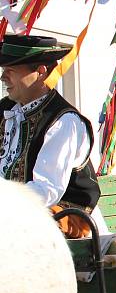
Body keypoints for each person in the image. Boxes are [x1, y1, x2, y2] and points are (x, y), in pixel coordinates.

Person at [0, 35, 101, 238]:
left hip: (64, 217)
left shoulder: (64, 121)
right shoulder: (5, 109)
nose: (3, 78)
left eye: (10, 71)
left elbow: (47, 191)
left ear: (40, 72)